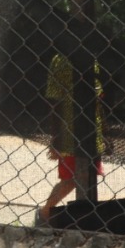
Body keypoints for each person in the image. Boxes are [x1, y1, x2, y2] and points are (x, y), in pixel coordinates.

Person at [39, 53, 104, 225]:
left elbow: (100, 96)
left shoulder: (93, 57)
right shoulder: (61, 59)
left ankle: (80, 218)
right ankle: (45, 213)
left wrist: (103, 131)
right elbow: (54, 100)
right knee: (71, 179)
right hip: (70, 131)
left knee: (88, 176)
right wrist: (56, 138)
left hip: (91, 129)